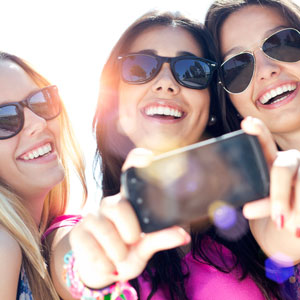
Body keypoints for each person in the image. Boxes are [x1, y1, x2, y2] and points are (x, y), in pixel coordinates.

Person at [46, 10, 300, 300]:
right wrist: (92, 277)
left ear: (210, 110)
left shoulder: (258, 211)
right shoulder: (80, 232)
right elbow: (74, 268)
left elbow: (282, 243)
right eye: (140, 67)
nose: (166, 83)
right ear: (113, 107)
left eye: (192, 71)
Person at [205, 0, 300, 298]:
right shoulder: (252, 204)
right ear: (228, 100)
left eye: (282, 43)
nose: (266, 71)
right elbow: (281, 242)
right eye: (237, 67)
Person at [0, 52, 87, 299]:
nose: (38, 122)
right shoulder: (3, 245)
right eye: (4, 119)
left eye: (40, 101)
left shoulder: (43, 243)